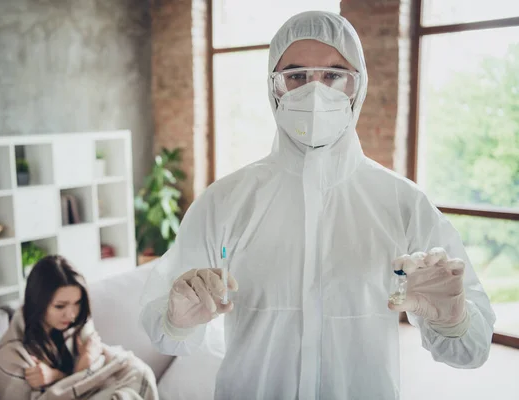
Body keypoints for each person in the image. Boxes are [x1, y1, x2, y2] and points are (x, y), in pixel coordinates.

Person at [139, 10, 496, 400]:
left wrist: (454, 319)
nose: (314, 91)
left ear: (356, 86)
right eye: (296, 75)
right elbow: (164, 332)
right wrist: (177, 319)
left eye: (333, 75)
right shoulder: (224, 201)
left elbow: (472, 351)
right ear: (274, 87)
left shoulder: (403, 202)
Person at [0, 255, 159, 400]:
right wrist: (83, 366)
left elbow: (101, 365)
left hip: (93, 390)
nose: (71, 314)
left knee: (139, 373)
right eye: (60, 306)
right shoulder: (11, 354)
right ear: (38, 303)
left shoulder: (77, 325)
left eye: (77, 303)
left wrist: (59, 375)